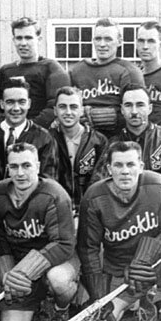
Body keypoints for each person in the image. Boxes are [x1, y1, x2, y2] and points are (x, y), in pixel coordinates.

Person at [77, 141, 161, 321]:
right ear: (109, 169)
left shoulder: (158, 185)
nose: (125, 171)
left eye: (130, 164)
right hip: (120, 271)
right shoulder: (94, 197)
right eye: (118, 165)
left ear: (141, 167)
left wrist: (143, 259)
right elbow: (88, 248)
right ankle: (138, 300)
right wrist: (98, 295)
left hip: (153, 265)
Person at [0, 143, 79, 321]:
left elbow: (64, 244)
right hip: (21, 263)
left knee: (59, 280)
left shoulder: (54, 194)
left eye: (26, 165)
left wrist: (24, 271)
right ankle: (36, 299)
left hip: (57, 260)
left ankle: (61, 310)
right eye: (14, 167)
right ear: (7, 168)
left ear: (37, 166)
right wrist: (8, 276)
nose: (20, 173)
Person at [98, 84, 161, 214]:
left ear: (150, 108)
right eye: (128, 105)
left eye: (140, 105)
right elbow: (99, 184)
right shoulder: (113, 145)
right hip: (124, 215)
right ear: (122, 110)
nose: (134, 111)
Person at [68, 18, 145, 137]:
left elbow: (138, 112)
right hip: (83, 138)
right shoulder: (77, 70)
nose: (102, 44)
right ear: (93, 41)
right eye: (98, 39)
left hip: (119, 139)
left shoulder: (129, 71)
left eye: (108, 39)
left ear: (119, 41)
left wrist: (99, 116)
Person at [48, 86, 109, 224]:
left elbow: (99, 182)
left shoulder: (98, 141)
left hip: (90, 212)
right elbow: (47, 180)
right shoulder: (47, 139)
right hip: (57, 212)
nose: (68, 112)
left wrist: (85, 211)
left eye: (74, 107)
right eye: (63, 107)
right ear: (55, 110)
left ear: (81, 110)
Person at [0, 17, 69, 129]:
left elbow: (54, 106)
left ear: (39, 39)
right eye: (19, 38)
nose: (23, 43)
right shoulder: (5, 71)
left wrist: (29, 129)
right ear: (14, 40)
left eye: (28, 38)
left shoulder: (51, 68)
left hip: (42, 132)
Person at [0, 77, 57, 179]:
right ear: (2, 104)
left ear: (29, 104)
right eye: (10, 102)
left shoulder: (43, 138)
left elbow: (47, 179)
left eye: (21, 102)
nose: (16, 108)